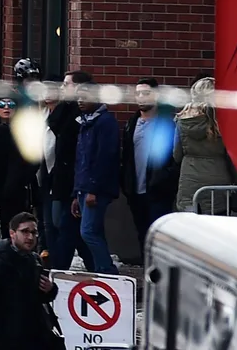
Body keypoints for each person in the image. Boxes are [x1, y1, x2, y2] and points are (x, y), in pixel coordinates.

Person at [0, 213, 64, 350]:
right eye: (25, 232)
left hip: (34, 337)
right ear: (12, 233)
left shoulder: (34, 260)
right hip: (9, 341)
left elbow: (37, 298)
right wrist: (2, 332)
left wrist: (50, 290)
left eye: (33, 232)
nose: (30, 237)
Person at [68, 74, 122, 273]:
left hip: (97, 188)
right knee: (94, 231)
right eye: (78, 96)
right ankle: (100, 270)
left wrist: (92, 190)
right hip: (84, 187)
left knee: (88, 232)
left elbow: (104, 159)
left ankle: (107, 271)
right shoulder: (85, 122)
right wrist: (77, 192)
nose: (80, 100)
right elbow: (81, 159)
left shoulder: (105, 122)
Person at [0, 95, 40, 234]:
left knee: (11, 229)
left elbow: (34, 157)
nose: (6, 108)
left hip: (14, 186)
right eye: (2, 104)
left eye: (10, 105)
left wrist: (22, 180)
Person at [127, 79, 180, 243]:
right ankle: (146, 268)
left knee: (158, 238)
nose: (141, 97)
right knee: (142, 234)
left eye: (146, 93)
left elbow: (176, 156)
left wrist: (163, 180)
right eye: (138, 94)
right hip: (135, 191)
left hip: (158, 191)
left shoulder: (168, 124)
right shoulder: (132, 123)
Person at [40, 78, 84, 268]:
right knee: (50, 225)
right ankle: (53, 266)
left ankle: (59, 268)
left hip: (64, 178)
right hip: (45, 176)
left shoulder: (70, 114)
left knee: (62, 226)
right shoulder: (41, 114)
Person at [172, 77, 231, 215]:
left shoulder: (182, 121)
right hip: (218, 180)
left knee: (190, 228)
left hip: (189, 180)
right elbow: (231, 156)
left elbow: (176, 155)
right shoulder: (224, 123)